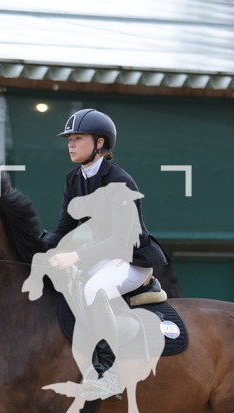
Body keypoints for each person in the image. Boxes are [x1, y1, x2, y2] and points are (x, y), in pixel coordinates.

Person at [44, 108, 171, 397]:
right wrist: (37, 251)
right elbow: (64, 228)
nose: (71, 145)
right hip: (102, 258)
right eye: (69, 140)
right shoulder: (74, 178)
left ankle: (110, 372)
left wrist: (75, 256)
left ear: (99, 143)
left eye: (78, 138)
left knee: (94, 289)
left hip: (131, 259)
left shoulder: (119, 181)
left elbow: (121, 240)